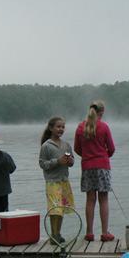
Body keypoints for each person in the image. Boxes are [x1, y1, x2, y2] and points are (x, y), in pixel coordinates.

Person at [74, 100, 115, 242]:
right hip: (103, 166)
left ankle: (89, 233)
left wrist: (87, 156)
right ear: (101, 112)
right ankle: (104, 233)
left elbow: (77, 148)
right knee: (103, 199)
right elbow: (112, 149)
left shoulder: (80, 127)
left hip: (87, 167)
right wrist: (104, 156)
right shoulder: (104, 127)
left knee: (90, 200)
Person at [39, 116, 75, 244]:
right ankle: (53, 235)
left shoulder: (66, 145)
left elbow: (72, 161)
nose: (61, 129)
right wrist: (57, 161)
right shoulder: (46, 146)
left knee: (61, 209)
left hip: (64, 181)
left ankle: (58, 233)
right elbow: (42, 164)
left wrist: (70, 161)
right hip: (52, 182)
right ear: (51, 128)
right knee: (55, 210)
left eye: (63, 127)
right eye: (58, 127)